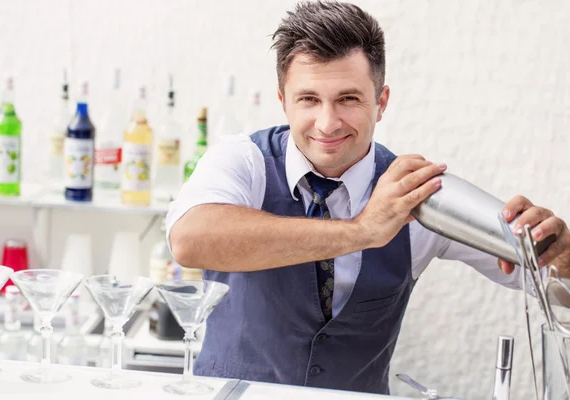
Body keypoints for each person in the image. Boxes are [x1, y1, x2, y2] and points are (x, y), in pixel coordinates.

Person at [166, 1, 570, 395]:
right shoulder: (242, 162)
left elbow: (547, 282)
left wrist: (561, 256)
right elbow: (190, 240)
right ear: (282, 101)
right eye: (308, 99)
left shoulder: (420, 197)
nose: (327, 123)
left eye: (349, 99)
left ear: (381, 102)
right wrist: (362, 230)